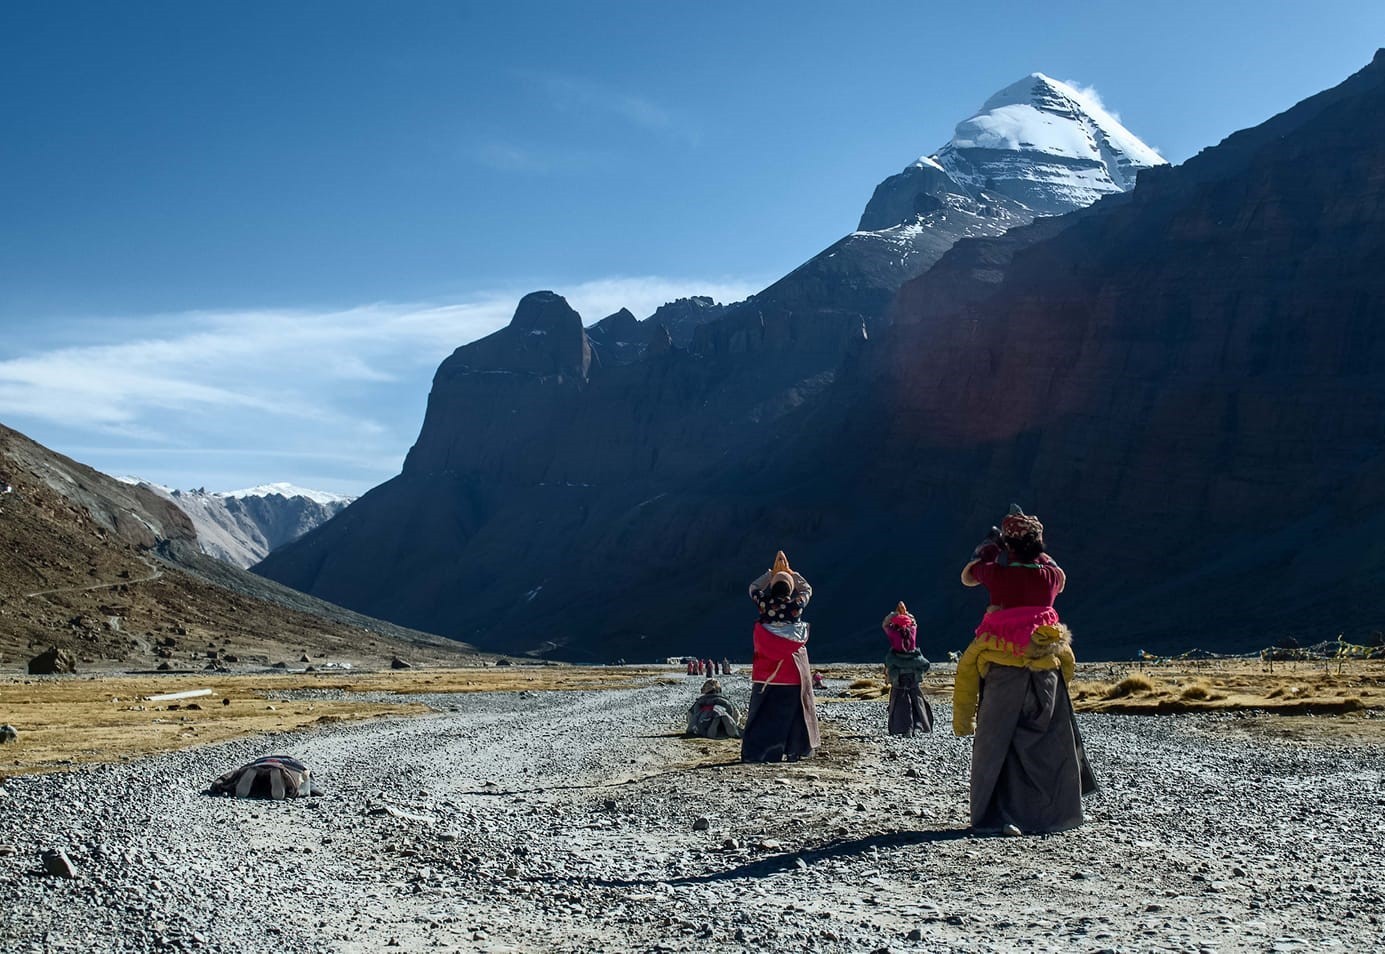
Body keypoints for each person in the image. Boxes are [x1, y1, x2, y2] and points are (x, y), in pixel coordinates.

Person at [954, 508, 1096, 834]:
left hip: (1003, 671)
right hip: (1046, 669)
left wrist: (990, 547)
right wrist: (1034, 547)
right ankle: (1057, 814)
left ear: (1010, 546)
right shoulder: (1049, 577)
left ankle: (997, 816)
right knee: (1050, 742)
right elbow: (1055, 571)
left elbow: (970, 574)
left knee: (996, 743)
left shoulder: (999, 576)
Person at [740, 550, 821, 763]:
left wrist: (770, 573)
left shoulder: (764, 605)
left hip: (767, 672)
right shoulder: (796, 607)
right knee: (796, 713)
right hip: (793, 672)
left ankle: (761, 752)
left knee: (764, 713)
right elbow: (807, 589)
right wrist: (791, 573)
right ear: (790, 589)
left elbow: (753, 588)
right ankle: (797, 749)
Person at [883, 602, 933, 736]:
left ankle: (901, 728)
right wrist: (905, 614)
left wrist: (894, 614)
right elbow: (914, 622)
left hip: (898, 675)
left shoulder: (893, 633)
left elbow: (885, 625)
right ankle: (920, 726)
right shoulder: (912, 631)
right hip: (913, 672)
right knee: (916, 698)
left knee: (900, 700)